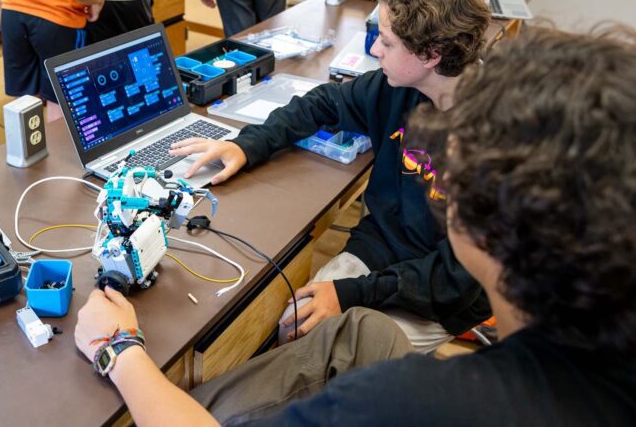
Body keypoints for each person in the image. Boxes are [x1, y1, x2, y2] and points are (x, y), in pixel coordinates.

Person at [74, 25, 636, 426]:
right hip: (388, 308)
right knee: (370, 332)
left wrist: (118, 348)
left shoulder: (410, 403)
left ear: (493, 229)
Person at [170, 0, 492, 353]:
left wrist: (350, 294)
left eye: (386, 43)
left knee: (330, 356)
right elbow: (323, 102)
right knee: (296, 323)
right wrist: (247, 145)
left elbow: (454, 278)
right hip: (383, 249)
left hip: (440, 294)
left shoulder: (498, 140)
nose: (374, 51)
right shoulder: (399, 88)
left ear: (430, 54)